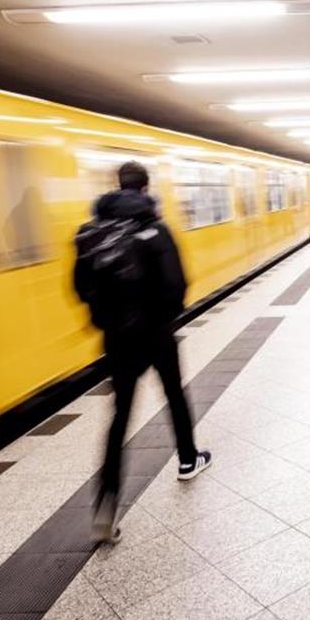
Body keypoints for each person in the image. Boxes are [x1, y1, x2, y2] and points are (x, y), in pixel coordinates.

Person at [74, 161, 212, 544]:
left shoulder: (91, 232)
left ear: (116, 185)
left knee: (119, 418)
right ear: (146, 187)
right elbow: (177, 284)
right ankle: (188, 459)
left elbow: (81, 289)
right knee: (173, 393)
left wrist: (110, 322)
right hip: (156, 333)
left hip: (117, 340)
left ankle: (106, 501)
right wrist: (162, 320)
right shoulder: (156, 228)